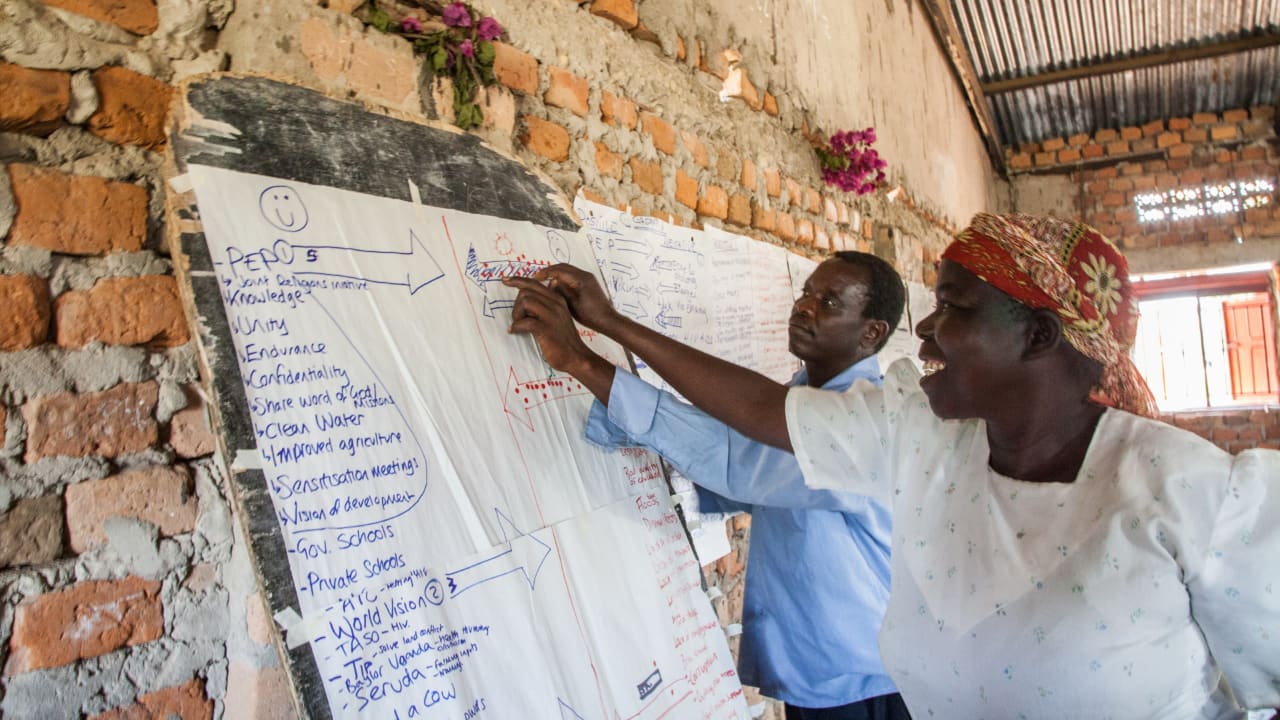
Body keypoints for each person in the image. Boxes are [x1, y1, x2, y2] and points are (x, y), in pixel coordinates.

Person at [507, 213, 1280, 718]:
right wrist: (603, 333)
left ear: (1040, 339)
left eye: (955, 308)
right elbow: (759, 418)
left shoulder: (1197, 495)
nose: (927, 336)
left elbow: (737, 459)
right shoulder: (923, 436)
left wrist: (593, 353)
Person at [578, 252, 909, 719]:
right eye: (806, 293)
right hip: (823, 675)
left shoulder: (862, 427)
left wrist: (589, 361)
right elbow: (748, 483)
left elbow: (734, 459)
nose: (805, 308)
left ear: (872, 332)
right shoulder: (803, 397)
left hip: (859, 682)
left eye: (829, 303)